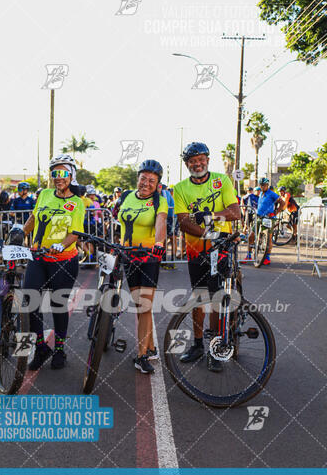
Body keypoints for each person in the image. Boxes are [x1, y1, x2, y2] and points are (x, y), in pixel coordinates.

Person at [173, 142, 240, 372]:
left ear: (208, 160)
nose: (197, 164)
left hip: (221, 247)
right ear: (187, 164)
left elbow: (235, 212)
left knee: (216, 298)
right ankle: (198, 345)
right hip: (196, 250)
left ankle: (215, 346)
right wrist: (207, 232)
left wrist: (209, 216)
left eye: (201, 159)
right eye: (193, 161)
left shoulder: (222, 180)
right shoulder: (180, 187)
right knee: (199, 298)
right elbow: (183, 221)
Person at [23, 154, 85, 370]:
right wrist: (20, 233)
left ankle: (59, 350)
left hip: (63, 260)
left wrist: (62, 244)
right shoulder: (45, 194)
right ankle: (41, 347)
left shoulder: (77, 202)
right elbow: (33, 217)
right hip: (38, 257)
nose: (58, 177)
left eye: (62, 173)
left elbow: (75, 233)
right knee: (30, 301)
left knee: (58, 306)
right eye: (54, 173)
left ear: (71, 175)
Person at [118, 160, 167, 374]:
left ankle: (141, 355)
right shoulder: (126, 196)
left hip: (149, 258)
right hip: (128, 256)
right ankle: (151, 347)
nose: (146, 183)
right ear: (137, 178)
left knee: (145, 306)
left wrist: (158, 244)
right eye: (143, 178)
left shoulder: (159, 201)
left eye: (152, 180)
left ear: (157, 184)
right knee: (140, 306)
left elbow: (161, 223)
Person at [242, 177, 284, 265]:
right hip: (259, 217)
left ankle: (267, 257)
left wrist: (276, 212)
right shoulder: (260, 193)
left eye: (264, 185)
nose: (262, 187)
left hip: (269, 218)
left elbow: (282, 203)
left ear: (267, 185)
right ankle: (249, 255)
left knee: (269, 238)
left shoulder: (272, 194)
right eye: (261, 185)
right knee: (251, 236)